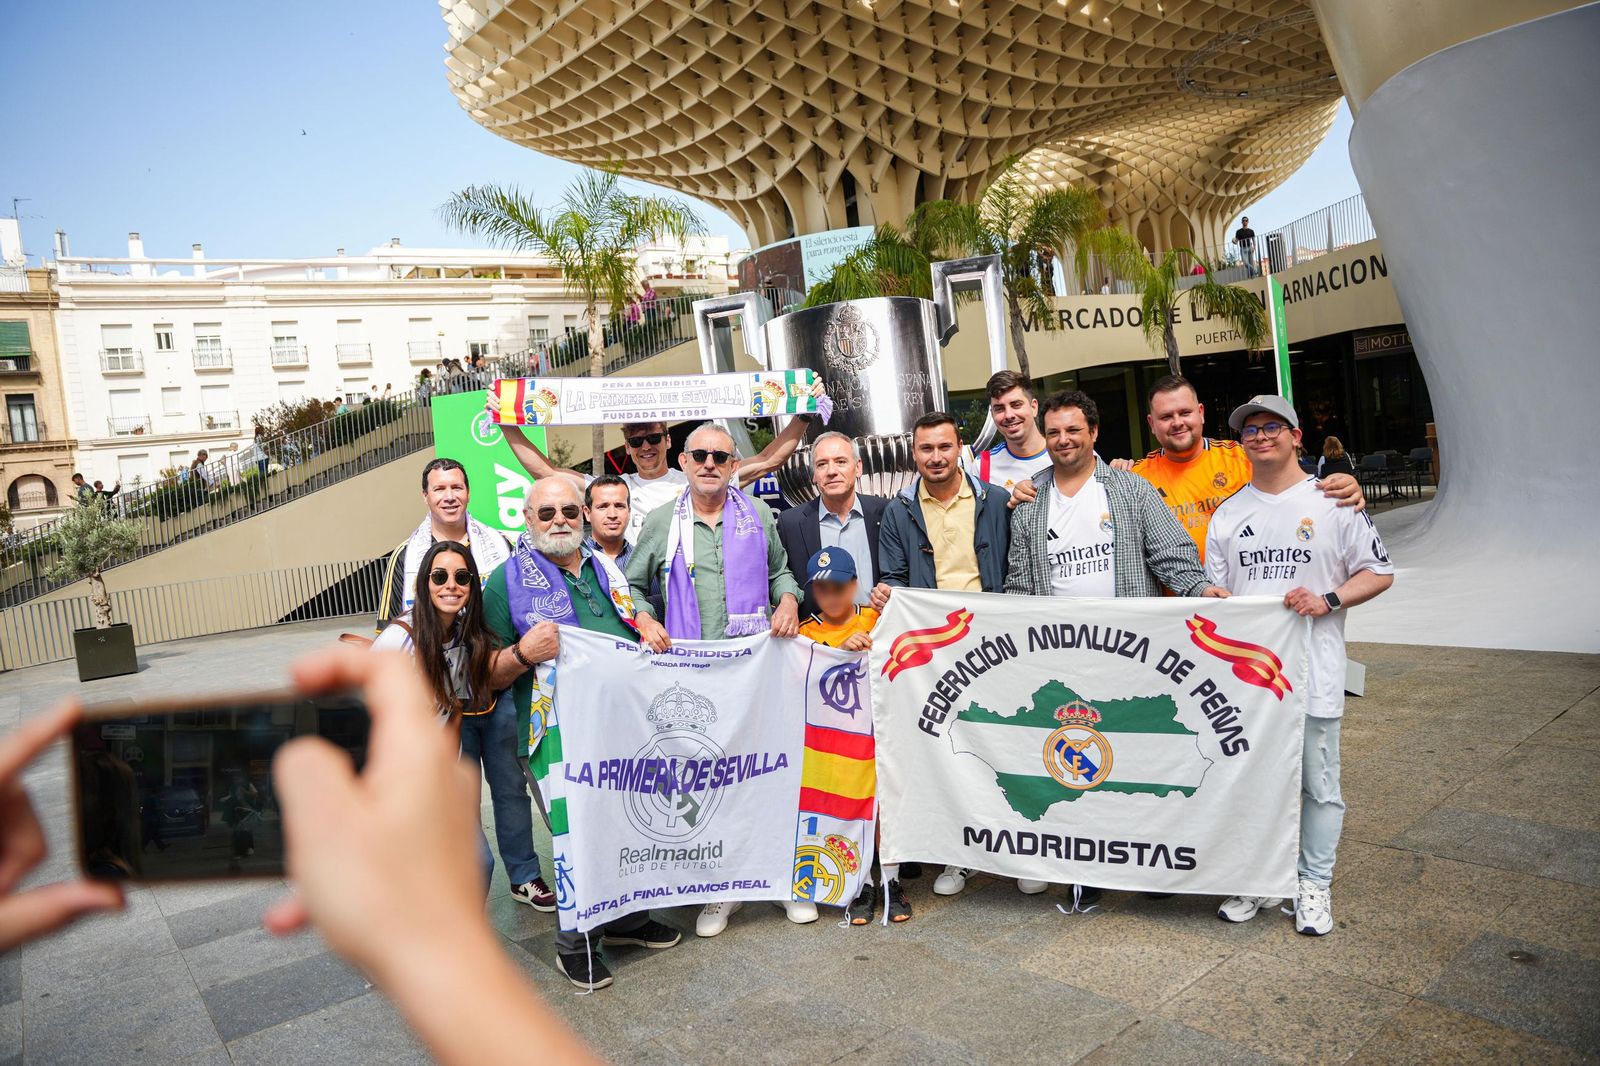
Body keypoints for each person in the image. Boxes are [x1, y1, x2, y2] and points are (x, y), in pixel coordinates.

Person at [1004, 391, 1228, 900]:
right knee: (1074, 763)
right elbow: (1018, 581)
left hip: (1131, 654)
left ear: (1094, 433)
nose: (1063, 440)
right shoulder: (1029, 501)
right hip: (1060, 656)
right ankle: (1086, 870)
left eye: (1073, 430)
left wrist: (1200, 590)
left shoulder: (1131, 490)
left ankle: (1150, 865)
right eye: (1055, 431)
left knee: (1139, 763)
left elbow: (1171, 555)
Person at [481, 478, 681, 990]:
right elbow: (483, 672)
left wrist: (644, 618)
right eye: (545, 513)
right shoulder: (506, 583)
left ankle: (625, 922)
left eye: (569, 510)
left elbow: (628, 619)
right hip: (557, 738)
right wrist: (524, 654)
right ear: (527, 519)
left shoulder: (605, 566)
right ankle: (576, 943)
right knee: (579, 837)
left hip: (620, 729)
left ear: (584, 515)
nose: (559, 521)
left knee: (626, 826)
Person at [1206, 395, 1394, 937]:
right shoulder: (1229, 513)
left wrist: (1328, 599)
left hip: (1314, 673)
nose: (1260, 437)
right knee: (1255, 783)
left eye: (1272, 427)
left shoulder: (1334, 501)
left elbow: (1378, 572)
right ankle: (1264, 878)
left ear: (1295, 436)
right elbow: (1219, 590)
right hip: (1250, 684)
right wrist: (1214, 597)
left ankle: (1313, 883)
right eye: (1249, 430)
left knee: (1319, 785)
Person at [623, 422, 812, 937]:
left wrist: (790, 600)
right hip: (692, 679)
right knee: (712, 782)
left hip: (754, 677)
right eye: (700, 455)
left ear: (733, 466)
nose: (709, 464)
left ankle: (781, 881)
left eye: (720, 457)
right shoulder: (662, 522)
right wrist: (645, 618)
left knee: (767, 775)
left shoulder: (760, 515)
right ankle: (720, 889)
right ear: (682, 462)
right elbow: (633, 586)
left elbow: (781, 574)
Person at [872, 411, 1011, 897]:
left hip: (994, 647)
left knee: (1002, 742)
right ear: (915, 454)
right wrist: (886, 593)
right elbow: (893, 576)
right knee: (950, 751)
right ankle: (959, 856)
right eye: (926, 449)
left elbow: (1012, 568)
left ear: (960, 450)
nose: (936, 457)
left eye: (944, 447)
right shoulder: (898, 511)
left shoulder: (994, 501)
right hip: (936, 652)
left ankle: (1021, 857)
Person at [1030, 375, 1363, 564]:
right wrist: (1025, 492)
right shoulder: (1135, 477)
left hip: (1243, 599)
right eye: (1166, 417)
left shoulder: (1241, 457)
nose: (1177, 422)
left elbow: (1294, 481)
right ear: (1151, 424)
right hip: (1173, 615)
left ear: (1201, 412)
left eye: (1184, 412)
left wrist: (1339, 480)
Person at [497, 408, 812, 542]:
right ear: (628, 447)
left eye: (654, 438)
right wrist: (505, 423)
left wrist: (803, 417)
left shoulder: (699, 475)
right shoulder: (610, 490)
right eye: (636, 441)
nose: (646, 446)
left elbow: (768, 460)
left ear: (668, 440)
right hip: (632, 592)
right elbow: (546, 471)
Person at [794, 548, 906, 925]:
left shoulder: (877, 618)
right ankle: (860, 885)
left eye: (839, 585)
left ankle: (890, 881)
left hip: (880, 732)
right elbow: (798, 682)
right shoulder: (805, 632)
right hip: (834, 744)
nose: (832, 594)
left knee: (883, 807)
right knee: (848, 810)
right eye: (822, 588)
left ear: (854, 584)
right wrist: (838, 653)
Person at [377, 458, 512, 632]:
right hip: (430, 655)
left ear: (468, 493)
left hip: (494, 652)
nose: (449, 497)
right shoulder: (404, 556)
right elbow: (389, 629)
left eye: (456, 488)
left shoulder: (502, 545)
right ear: (425, 496)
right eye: (439, 489)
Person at [776, 431, 888, 617]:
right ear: (813, 474)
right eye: (822, 464)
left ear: (858, 467)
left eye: (841, 461)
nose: (831, 471)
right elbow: (780, 574)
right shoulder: (791, 523)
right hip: (819, 639)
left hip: (879, 631)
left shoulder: (885, 513)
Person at [973, 370, 1050, 496]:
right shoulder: (983, 465)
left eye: (1016, 405)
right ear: (992, 414)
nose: (1009, 415)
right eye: (999, 408)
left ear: (1034, 407)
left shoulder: (1066, 454)